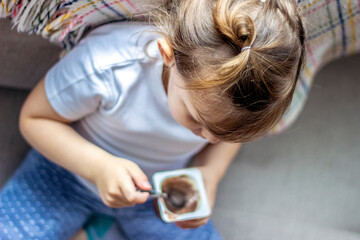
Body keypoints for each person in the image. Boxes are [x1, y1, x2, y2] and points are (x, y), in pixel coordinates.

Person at [0, 0, 305, 239]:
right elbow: (34, 118)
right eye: (198, 121)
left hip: (158, 195)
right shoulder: (109, 65)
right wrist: (98, 168)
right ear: (167, 54)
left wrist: (210, 172)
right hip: (65, 175)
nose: (210, 139)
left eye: (229, 132)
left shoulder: (229, 107)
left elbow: (219, 142)